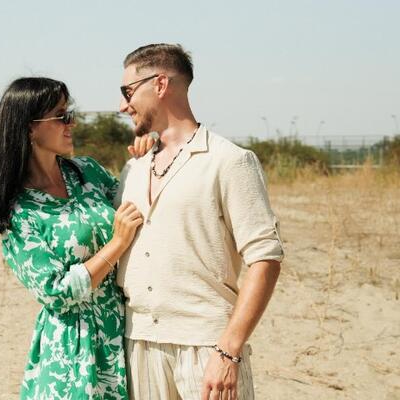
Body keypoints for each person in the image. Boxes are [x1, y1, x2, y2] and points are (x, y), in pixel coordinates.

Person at [115, 44, 285, 400]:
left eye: (128, 92)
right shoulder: (133, 168)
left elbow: (265, 258)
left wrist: (228, 350)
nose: (122, 105)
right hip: (139, 345)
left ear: (160, 84)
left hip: (208, 346)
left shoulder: (230, 161)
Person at [0, 77, 150, 399]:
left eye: (71, 113)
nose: (72, 123)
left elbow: (133, 206)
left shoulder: (87, 172)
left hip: (124, 332)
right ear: (30, 127)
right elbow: (55, 292)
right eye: (62, 116)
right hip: (74, 351)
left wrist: (145, 159)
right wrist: (116, 245)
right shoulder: (19, 211)